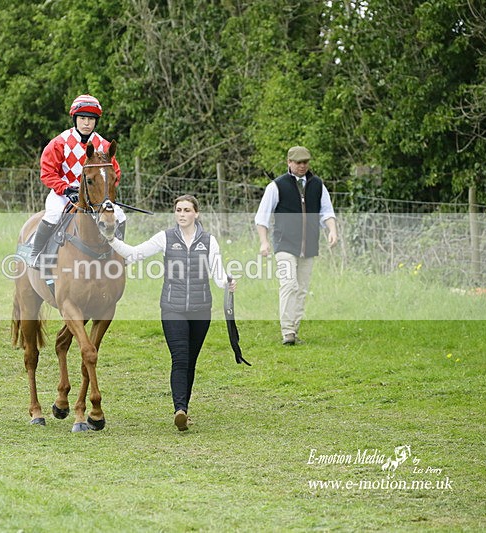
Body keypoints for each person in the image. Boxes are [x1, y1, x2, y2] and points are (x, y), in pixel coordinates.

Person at [108, 195, 237, 431]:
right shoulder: (165, 238)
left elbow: (218, 272)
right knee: (180, 358)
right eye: (178, 210)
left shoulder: (209, 241)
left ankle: (184, 409)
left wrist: (227, 282)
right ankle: (180, 410)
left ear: (196, 213)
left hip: (201, 310)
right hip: (172, 308)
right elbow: (134, 254)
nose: (182, 214)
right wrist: (111, 239)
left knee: (191, 361)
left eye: (187, 210)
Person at [254, 146, 337, 346]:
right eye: (298, 163)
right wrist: (264, 241)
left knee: (301, 289)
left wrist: (332, 230)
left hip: (309, 244)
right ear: (289, 163)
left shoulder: (317, 185)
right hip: (285, 243)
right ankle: (288, 332)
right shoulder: (276, 186)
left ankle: (294, 329)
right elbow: (262, 217)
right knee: (289, 284)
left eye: (305, 162)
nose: (302, 166)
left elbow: (327, 211)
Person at [30, 94, 126, 265]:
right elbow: (47, 172)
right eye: (82, 118)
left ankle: (120, 254)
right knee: (53, 214)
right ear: (75, 119)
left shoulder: (104, 145)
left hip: (95, 196)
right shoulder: (60, 143)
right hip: (64, 193)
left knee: (120, 215)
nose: (87, 123)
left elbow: (114, 174)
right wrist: (65, 189)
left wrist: (103, 194)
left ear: (96, 121)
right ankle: (36, 254)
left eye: (91, 119)